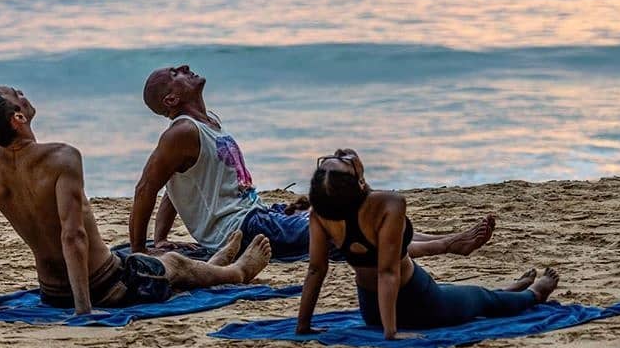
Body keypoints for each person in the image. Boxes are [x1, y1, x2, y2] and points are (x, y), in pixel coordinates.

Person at [0, 82, 273, 314]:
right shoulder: (61, 158)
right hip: (108, 286)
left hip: (52, 294)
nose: (23, 93)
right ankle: (236, 272)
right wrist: (83, 311)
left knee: (143, 259)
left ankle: (213, 264)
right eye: (16, 94)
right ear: (18, 117)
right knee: (172, 263)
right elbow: (73, 236)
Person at [131, 65, 496, 259]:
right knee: (340, 230)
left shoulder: (208, 125)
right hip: (241, 229)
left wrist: (161, 238)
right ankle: (446, 246)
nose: (185, 67)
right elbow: (147, 187)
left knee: (349, 208)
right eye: (174, 73)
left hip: (260, 214)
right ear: (171, 99)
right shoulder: (181, 132)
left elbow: (178, 189)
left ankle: (443, 239)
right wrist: (139, 250)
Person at [296, 150, 559, 338]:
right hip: (420, 302)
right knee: (482, 299)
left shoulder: (323, 212)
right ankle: (534, 293)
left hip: (372, 310)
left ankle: (504, 288)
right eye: (342, 161)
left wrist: (303, 326)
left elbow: (316, 270)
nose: (342, 153)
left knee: (462, 292)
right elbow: (387, 272)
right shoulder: (390, 204)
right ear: (359, 181)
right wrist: (391, 333)